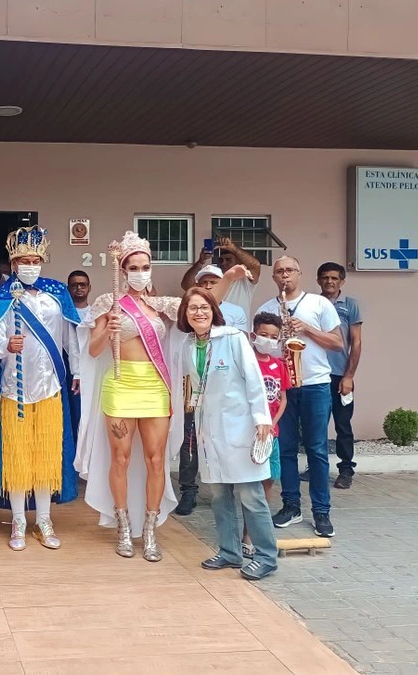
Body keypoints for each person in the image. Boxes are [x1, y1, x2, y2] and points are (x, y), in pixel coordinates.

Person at [76, 232, 246, 560]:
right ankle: (124, 525)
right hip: (120, 384)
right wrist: (107, 331)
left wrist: (228, 278)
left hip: (155, 388)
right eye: (134, 267)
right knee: (121, 459)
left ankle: (151, 530)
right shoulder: (106, 303)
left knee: (156, 460)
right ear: (123, 271)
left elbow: (203, 306)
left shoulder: (161, 305)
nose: (141, 272)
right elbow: (94, 350)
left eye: (145, 266)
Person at [0, 225, 80, 551]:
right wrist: (5, 344)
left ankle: (44, 518)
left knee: (46, 455)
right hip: (15, 388)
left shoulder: (57, 293)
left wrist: (77, 371)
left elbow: (71, 337)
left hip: (50, 385)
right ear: (13, 263)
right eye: (24, 259)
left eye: (35, 259)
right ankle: (18, 520)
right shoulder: (2, 296)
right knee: (17, 456)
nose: (30, 264)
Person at [177, 288, 278, 580]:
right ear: (185, 314)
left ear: (214, 311)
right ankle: (230, 552)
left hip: (241, 425)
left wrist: (262, 419)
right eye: (192, 308)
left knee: (251, 495)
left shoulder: (233, 338)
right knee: (220, 495)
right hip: (209, 428)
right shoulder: (186, 344)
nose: (199, 312)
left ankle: (266, 557)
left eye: (204, 307)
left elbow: (253, 379)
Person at [255, 256, 343, 538]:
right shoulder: (267, 308)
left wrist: (306, 328)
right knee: (287, 448)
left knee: (317, 449)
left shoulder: (319, 304)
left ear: (299, 274)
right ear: (274, 277)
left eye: (290, 270)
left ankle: (321, 511)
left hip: (315, 383)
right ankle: (291, 505)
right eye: (279, 271)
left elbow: (338, 343)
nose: (285, 276)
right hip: (283, 386)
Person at [174, 263, 247, 515]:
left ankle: (230, 486)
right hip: (193, 393)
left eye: (213, 282)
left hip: (225, 394)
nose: (208, 287)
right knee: (190, 443)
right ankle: (188, 490)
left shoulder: (232, 316)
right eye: (203, 282)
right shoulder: (190, 319)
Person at [241, 312, 289, 556]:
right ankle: (245, 536)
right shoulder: (246, 362)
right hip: (248, 432)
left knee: (268, 481)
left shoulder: (279, 365)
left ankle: (257, 530)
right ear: (253, 335)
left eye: (273, 337)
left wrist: (272, 423)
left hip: (272, 434)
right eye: (263, 335)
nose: (268, 340)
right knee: (248, 485)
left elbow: (282, 398)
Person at [313, 262, 363, 490]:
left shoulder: (350, 305)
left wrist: (349, 376)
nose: (329, 282)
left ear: (342, 281)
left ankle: (345, 470)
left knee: (343, 425)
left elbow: (357, 342)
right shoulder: (313, 304)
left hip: (339, 376)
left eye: (334, 278)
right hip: (317, 375)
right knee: (317, 425)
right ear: (318, 280)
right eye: (325, 278)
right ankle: (315, 468)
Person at [181, 236, 260, 320]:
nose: (223, 263)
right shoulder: (212, 276)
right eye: (220, 260)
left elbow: (255, 265)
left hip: (238, 328)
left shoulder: (245, 278)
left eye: (228, 260)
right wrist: (201, 261)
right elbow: (186, 285)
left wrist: (233, 247)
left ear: (238, 262)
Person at [66, 270, 91, 447]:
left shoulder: (96, 313)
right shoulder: (62, 314)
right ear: (68, 289)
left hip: (91, 368)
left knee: (89, 416)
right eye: (74, 285)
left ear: (89, 287)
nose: (79, 288)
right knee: (72, 415)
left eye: (82, 284)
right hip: (69, 371)